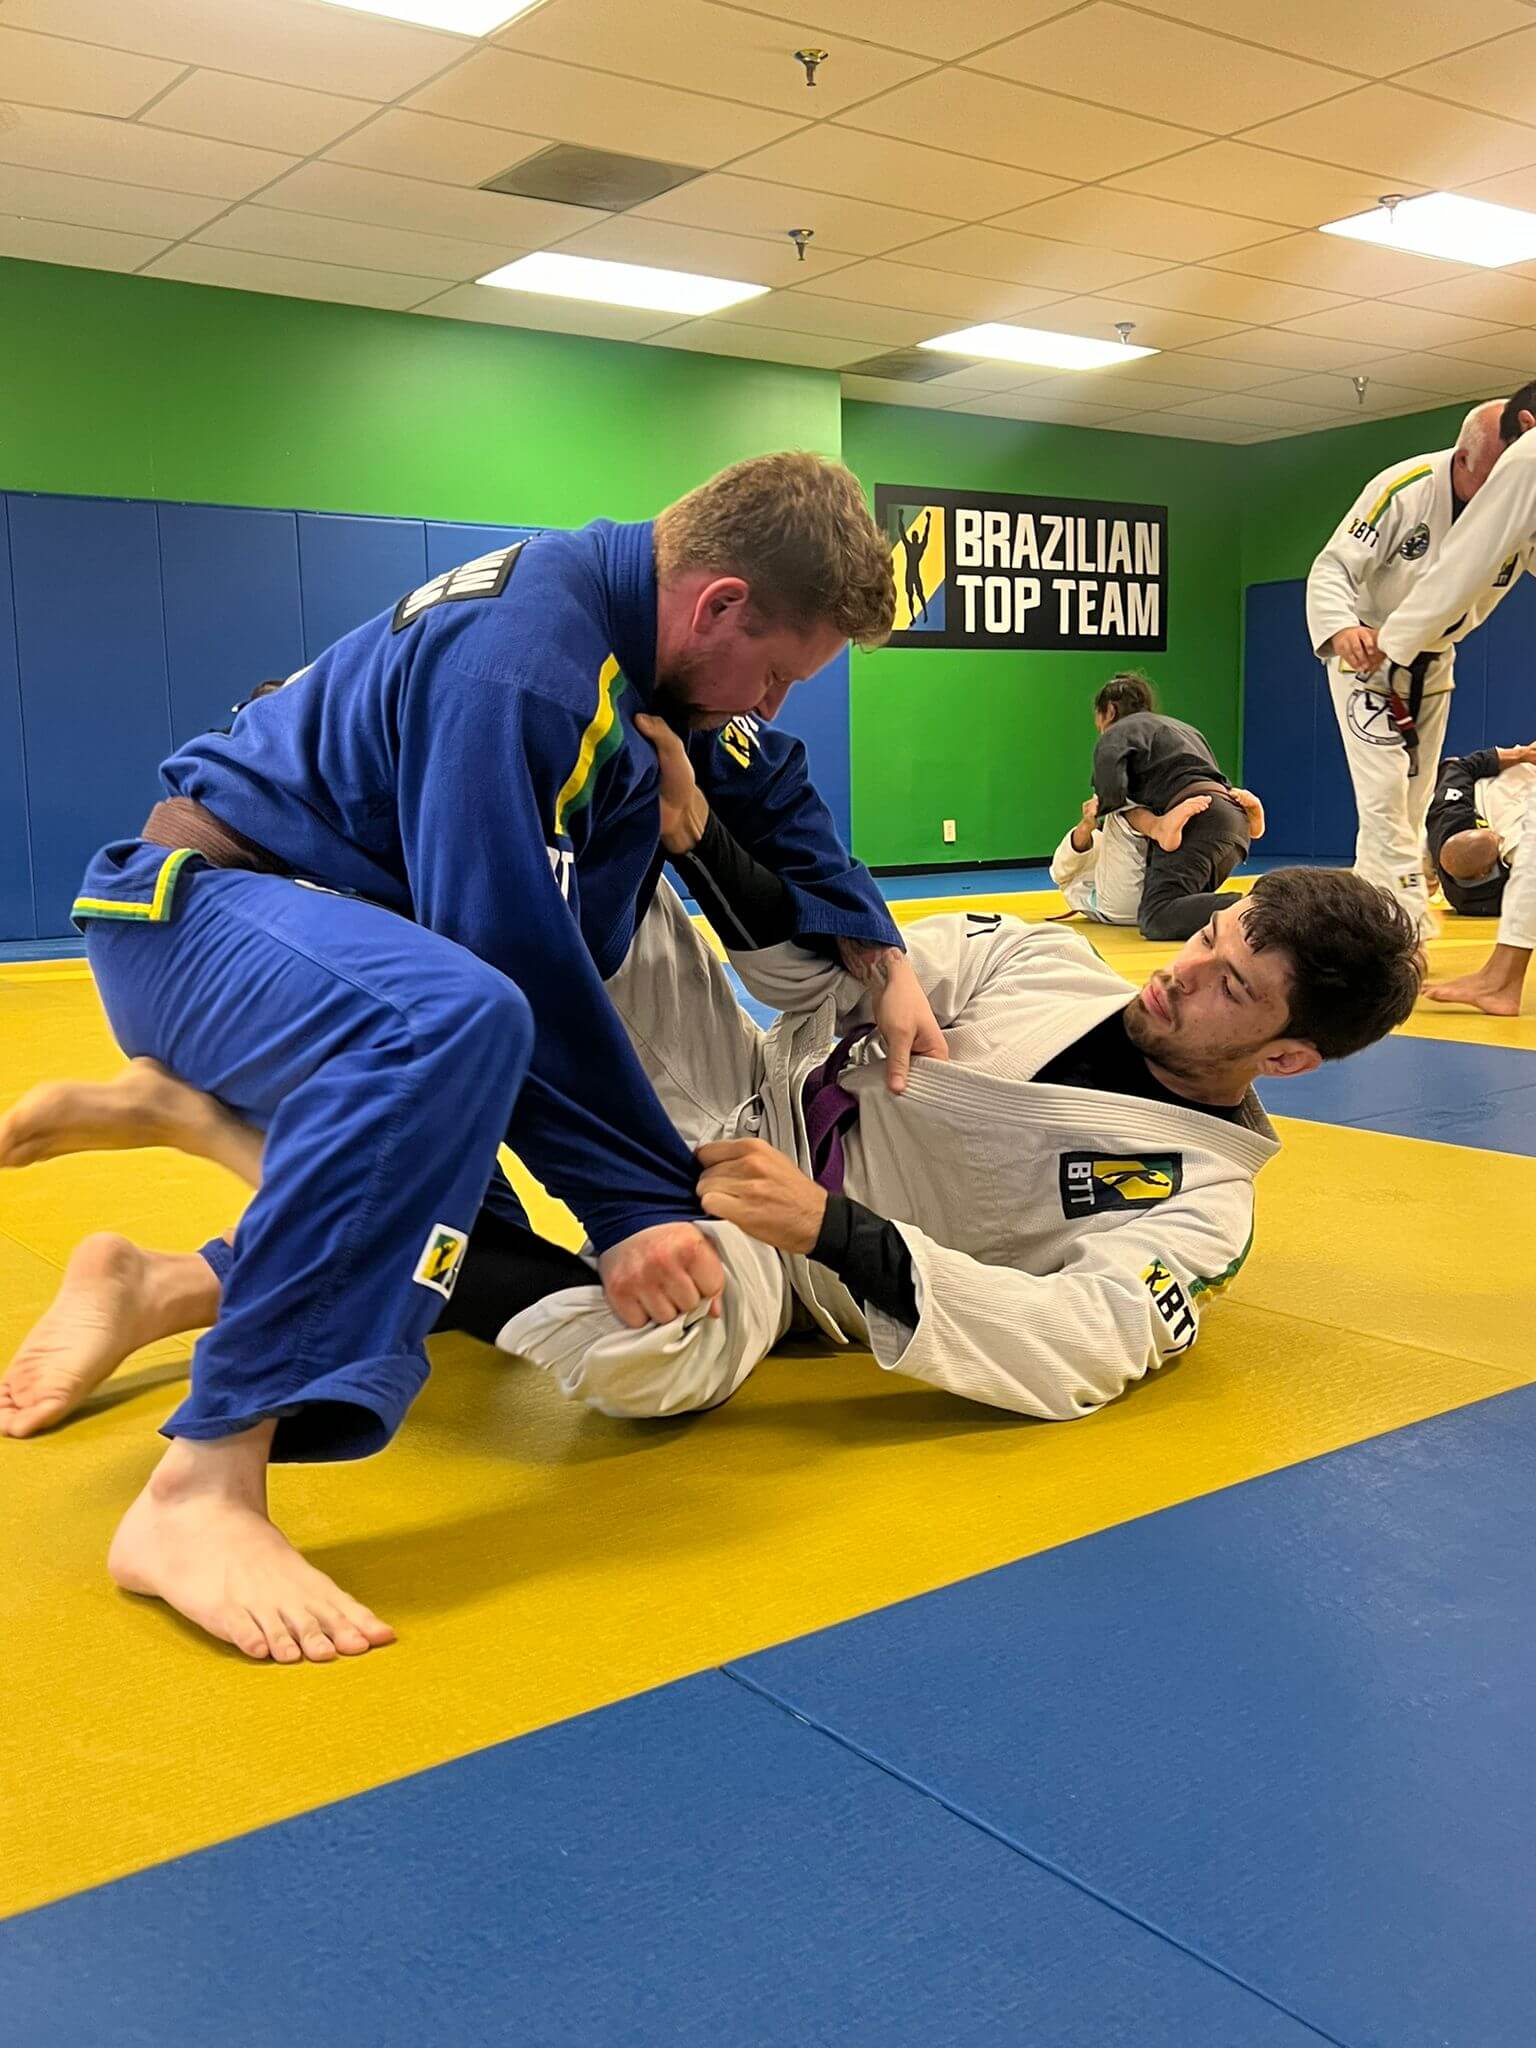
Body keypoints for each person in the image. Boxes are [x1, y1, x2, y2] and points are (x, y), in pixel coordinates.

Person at [26, 450, 946, 1666]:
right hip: (202, 919)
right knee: (454, 1022)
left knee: (443, 1212)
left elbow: (770, 788)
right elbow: (501, 945)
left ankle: (153, 1282)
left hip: (321, 944)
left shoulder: (644, 653)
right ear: (718, 602)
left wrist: (883, 954)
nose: (770, 701)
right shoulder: (530, 664)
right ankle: (202, 1485)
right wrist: (625, 1203)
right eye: (775, 672)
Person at [5, 724, 1423, 1451]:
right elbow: (820, 980)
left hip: (791, 1252)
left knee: (656, 1364)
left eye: (1230, 988)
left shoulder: (1197, 1207)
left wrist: (830, 1234)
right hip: (742, 1081)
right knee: (577, 908)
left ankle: (191, 1187)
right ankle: (274, 1016)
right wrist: (694, 839)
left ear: (1288, 1058)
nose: (1178, 977)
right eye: (1212, 941)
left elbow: (1078, 1344)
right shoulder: (1048, 963)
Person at [1305, 401, 1511, 935]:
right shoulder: (1405, 487)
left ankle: (1366, 913)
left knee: (1412, 802)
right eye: (1498, 464)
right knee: (1384, 795)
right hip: (1368, 655)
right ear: (1465, 457)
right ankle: (1403, 922)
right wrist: (1341, 628)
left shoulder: (1519, 508)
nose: (1505, 480)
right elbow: (1334, 567)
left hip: (1435, 659)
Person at [1368, 381, 1536, 1012]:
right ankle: (1501, 979)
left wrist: (1395, 647)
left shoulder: (1531, 453)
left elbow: (1465, 561)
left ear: (1523, 422)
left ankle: (1499, 981)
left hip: (1408, 643)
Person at [1087, 672, 1254, 941]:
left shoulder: (1117, 732)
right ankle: (1253, 904)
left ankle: (1257, 904)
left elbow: (1110, 793)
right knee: (1183, 904)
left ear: (1110, 710)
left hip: (1194, 820)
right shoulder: (1186, 729)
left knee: (1156, 916)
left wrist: (1113, 815)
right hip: (1233, 819)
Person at [1051, 786, 1267, 925]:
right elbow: (1062, 867)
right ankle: (1160, 827)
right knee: (1119, 809)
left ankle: (1248, 828)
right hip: (1118, 907)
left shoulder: (1113, 856)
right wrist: (1086, 824)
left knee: (1178, 852)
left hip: (1157, 897)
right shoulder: (1077, 880)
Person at [1425, 742, 1536, 917]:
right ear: (1487, 871)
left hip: (1498, 783)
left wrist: (1522, 754)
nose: (1496, 834)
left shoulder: (1447, 824)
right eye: (1497, 840)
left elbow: (1462, 767)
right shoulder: (1518, 858)